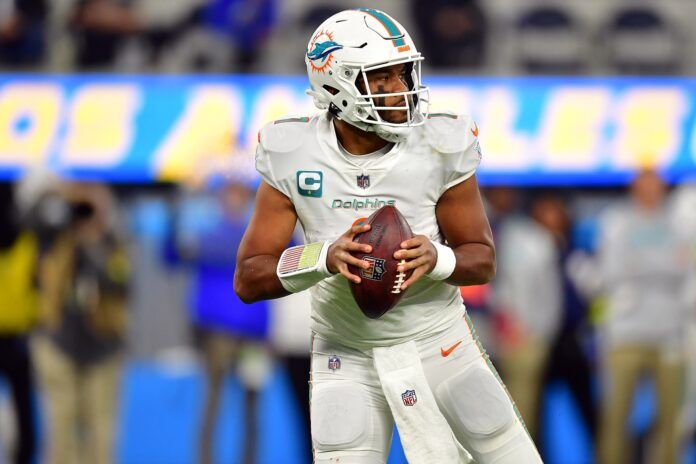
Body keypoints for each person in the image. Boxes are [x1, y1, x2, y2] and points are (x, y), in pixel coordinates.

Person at [234, 8, 541, 463]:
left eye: (402, 73)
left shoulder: (440, 143)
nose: (399, 89)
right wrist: (324, 257)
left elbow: (483, 258)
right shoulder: (293, 153)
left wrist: (435, 258)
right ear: (334, 83)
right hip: (346, 350)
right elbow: (248, 277)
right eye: (380, 78)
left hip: (440, 342)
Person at [596, 170, 691, 464]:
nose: (650, 191)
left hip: (670, 332)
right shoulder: (616, 221)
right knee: (616, 415)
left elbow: (685, 270)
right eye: (644, 185)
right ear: (634, 187)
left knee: (670, 419)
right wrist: (662, 264)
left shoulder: (680, 224)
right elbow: (611, 270)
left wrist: (640, 263)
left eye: (656, 185)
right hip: (625, 332)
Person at [34, 182, 129, 464]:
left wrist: (96, 244)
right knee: (62, 429)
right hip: (61, 345)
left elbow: (121, 284)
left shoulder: (113, 243)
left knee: (100, 430)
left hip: (102, 347)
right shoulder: (56, 239)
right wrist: (64, 209)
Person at [0, 184, 38, 464]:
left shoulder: (27, 243)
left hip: (18, 338)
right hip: (18, 338)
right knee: (24, 409)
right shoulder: (27, 242)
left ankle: (23, 455)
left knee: (24, 410)